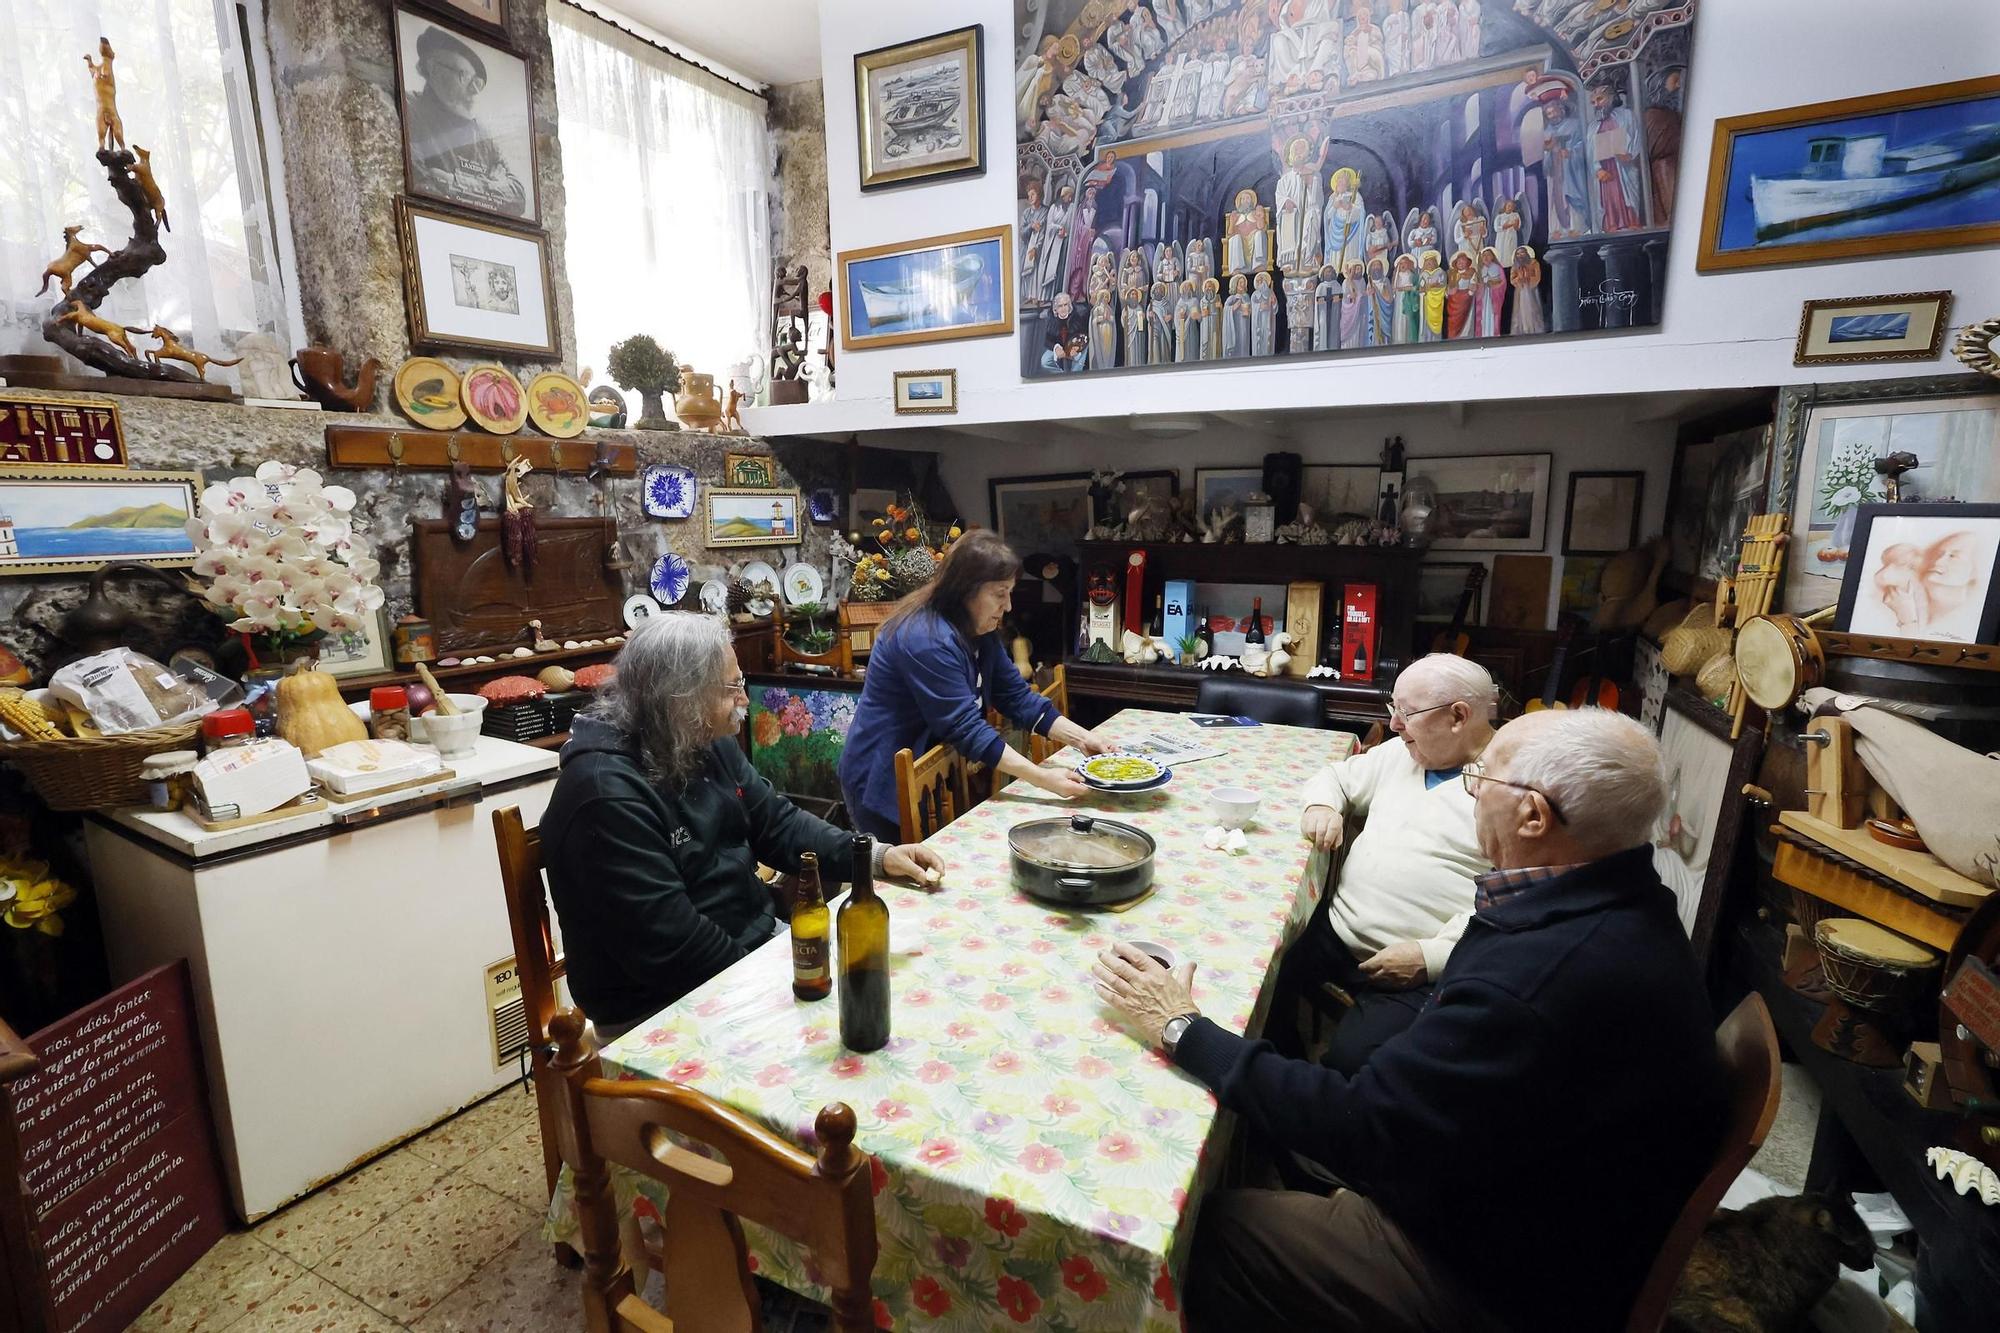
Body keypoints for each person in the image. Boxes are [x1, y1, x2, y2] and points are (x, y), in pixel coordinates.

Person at [1093, 707, 1726, 1333]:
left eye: (1483, 782)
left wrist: (1182, 1027)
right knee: (1270, 1114)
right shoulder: (1618, 897)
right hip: (1526, 1190)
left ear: (1533, 815)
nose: (1472, 794)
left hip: (1494, 1276)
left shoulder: (1539, 982)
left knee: (1203, 1233)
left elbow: (1361, 1125)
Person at [541, 613, 944, 1040]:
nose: (745, 701)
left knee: (897, 992)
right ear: (682, 699)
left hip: (746, 960)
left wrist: (875, 857)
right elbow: (674, 948)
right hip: (662, 1013)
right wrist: (778, 993)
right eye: (732, 688)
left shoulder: (697, 740)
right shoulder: (604, 795)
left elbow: (778, 824)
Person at [1270, 654, 1496, 1073]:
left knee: (1356, 1062)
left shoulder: (1506, 785)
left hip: (1415, 964)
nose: (1394, 724)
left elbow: (1513, 900)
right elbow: (1335, 777)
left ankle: (1325, 1122)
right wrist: (1322, 806)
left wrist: (1431, 956)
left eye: (1407, 713)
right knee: (1262, 984)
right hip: (1337, 931)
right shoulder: (1402, 754)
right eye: (1395, 709)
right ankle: (1279, 1090)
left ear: (1458, 716)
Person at [839, 530, 1111, 843]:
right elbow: (966, 728)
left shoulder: (979, 629)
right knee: (899, 877)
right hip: (881, 779)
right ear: (966, 590)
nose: (1008, 606)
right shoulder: (925, 638)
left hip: (928, 775)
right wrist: (1044, 779)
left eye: (1010, 592)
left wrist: (1083, 739)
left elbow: (1017, 698)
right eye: (1000, 594)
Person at [404, 22, 529, 218]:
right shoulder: (409, 108)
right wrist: (491, 187)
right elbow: (423, 184)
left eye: (477, 82)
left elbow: (518, 197)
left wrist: (454, 183)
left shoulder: (482, 134)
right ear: (433, 69)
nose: (474, 90)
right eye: (463, 76)